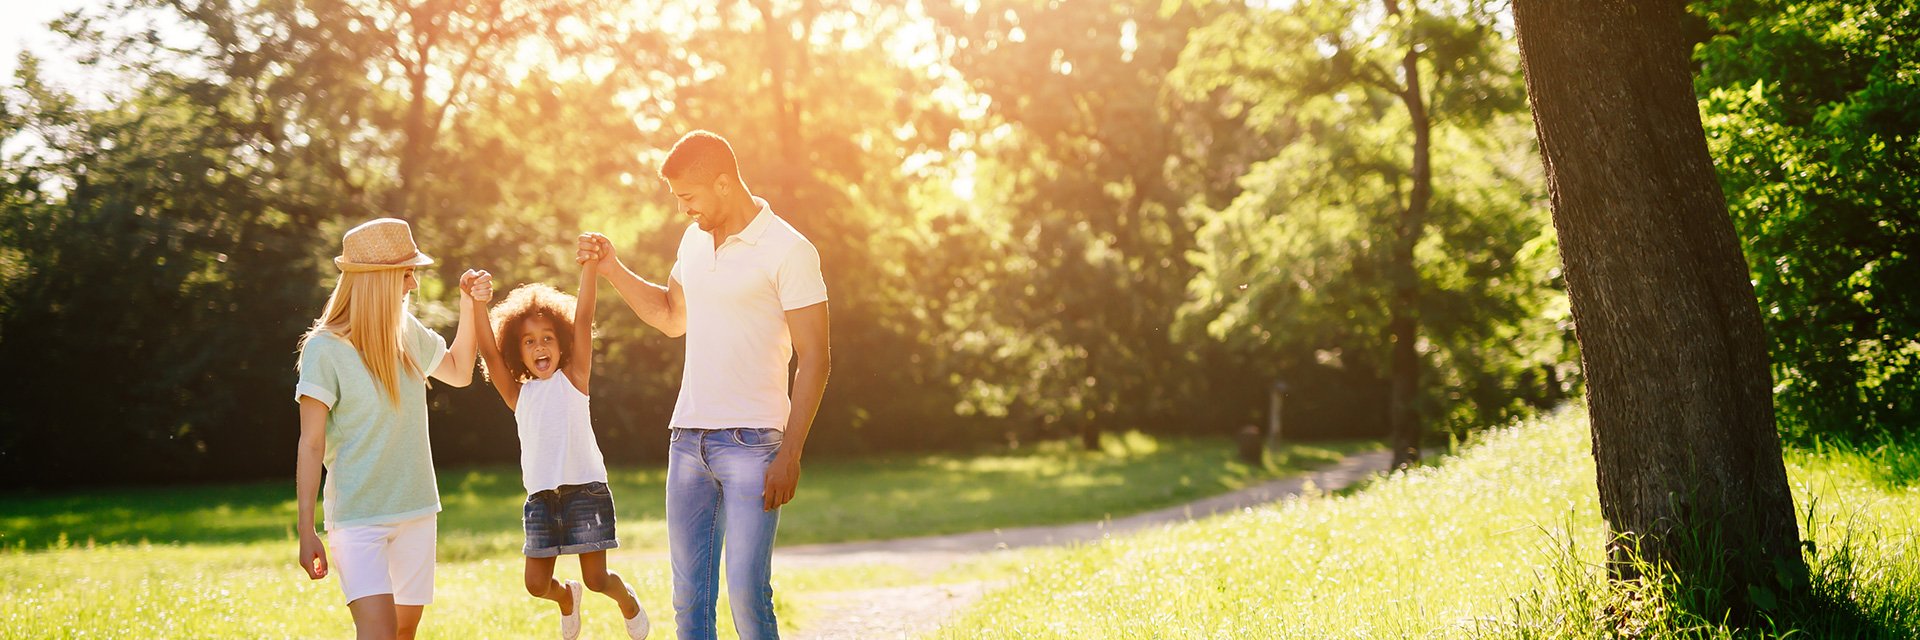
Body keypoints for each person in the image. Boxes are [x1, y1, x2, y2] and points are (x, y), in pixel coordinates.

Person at [577, 130, 831, 640]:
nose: (682, 210)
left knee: (746, 596)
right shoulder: (693, 241)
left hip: (755, 445)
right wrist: (610, 268)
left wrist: (791, 453)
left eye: (687, 198)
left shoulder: (788, 249)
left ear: (722, 184)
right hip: (688, 440)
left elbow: (817, 359)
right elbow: (672, 316)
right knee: (689, 600)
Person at [293, 218, 483, 640]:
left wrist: (469, 305)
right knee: (377, 632)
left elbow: (459, 371)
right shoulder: (323, 350)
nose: (413, 284)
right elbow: (310, 445)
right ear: (378, 278)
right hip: (358, 519)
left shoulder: (405, 333)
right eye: (407, 272)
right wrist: (306, 530)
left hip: (416, 511)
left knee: (402, 632)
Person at [471, 254, 651, 640]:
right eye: (529, 341)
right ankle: (567, 597)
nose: (540, 347)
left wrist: (590, 266)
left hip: (584, 491)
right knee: (535, 585)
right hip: (540, 499)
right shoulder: (517, 394)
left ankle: (628, 601)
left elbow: (584, 319)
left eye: (548, 338)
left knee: (599, 578)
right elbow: (487, 353)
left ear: (562, 343)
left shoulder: (574, 378)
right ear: (517, 351)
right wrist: (475, 303)